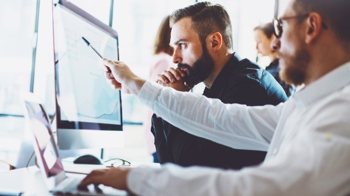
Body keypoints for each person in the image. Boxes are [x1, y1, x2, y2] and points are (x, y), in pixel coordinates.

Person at [79, 0, 350, 195]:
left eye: (281, 27)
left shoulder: (340, 116)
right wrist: (139, 86)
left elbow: (256, 188)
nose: (275, 44)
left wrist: (138, 178)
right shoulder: (305, 105)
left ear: (311, 27)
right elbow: (220, 117)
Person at [150, 3, 287, 169]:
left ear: (214, 42)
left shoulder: (247, 87)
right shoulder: (215, 86)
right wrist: (163, 107)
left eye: (183, 45)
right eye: (174, 47)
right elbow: (168, 166)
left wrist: (177, 100)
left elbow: (192, 170)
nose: (175, 58)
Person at [143, 15, 174, 163]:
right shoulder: (165, 61)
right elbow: (157, 97)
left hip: (156, 132)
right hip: (161, 134)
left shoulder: (160, 58)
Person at [254, 22, 296, 97]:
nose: (256, 47)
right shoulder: (271, 68)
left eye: (259, 42)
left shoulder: (283, 69)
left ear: (273, 38)